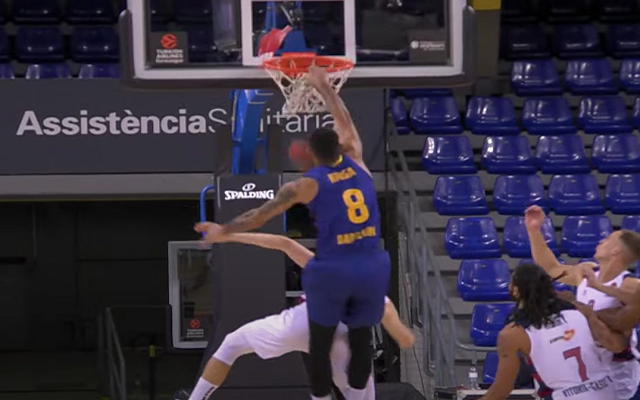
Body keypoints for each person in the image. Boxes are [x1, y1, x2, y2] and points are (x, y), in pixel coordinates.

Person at [197, 65, 390, 400]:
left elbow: (264, 223)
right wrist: (325, 87)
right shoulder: (360, 169)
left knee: (231, 344)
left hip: (308, 319)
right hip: (347, 324)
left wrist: (225, 232)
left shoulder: (306, 186)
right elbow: (346, 126)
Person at [188, 227, 414, 400]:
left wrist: (228, 235)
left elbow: (283, 243)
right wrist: (402, 334)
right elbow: (390, 318)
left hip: (302, 323)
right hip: (340, 338)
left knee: (231, 344)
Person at [524, 205, 640, 400]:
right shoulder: (586, 271)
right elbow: (551, 268)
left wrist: (598, 286)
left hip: (617, 370)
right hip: (589, 366)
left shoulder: (629, 283)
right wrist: (534, 230)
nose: (601, 240)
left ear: (616, 251)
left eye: (607, 240)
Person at [480, 263, 625, 400]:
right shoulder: (581, 310)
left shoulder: (512, 333)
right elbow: (617, 346)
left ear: (516, 290)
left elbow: (502, 390)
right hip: (605, 391)